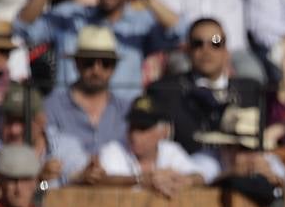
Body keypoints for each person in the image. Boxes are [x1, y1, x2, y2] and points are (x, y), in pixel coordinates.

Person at [17, 0, 178, 101]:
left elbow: (180, 34)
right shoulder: (70, 15)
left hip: (121, 119)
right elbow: (21, 29)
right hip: (68, 115)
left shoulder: (140, 22)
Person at [146, 18, 264, 155]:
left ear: (226, 51)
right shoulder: (164, 91)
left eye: (215, 43)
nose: (206, 50)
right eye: (198, 44)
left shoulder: (250, 90)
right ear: (187, 50)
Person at [79, 94, 209, 196]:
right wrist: (141, 180)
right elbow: (102, 180)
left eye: (143, 128)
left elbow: (200, 177)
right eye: (132, 127)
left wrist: (183, 180)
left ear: (163, 131)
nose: (135, 135)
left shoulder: (170, 150)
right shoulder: (114, 149)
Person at [0, 84, 88, 188]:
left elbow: (76, 188)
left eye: (22, 121)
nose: (14, 130)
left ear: (41, 120)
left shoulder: (66, 146)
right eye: (9, 121)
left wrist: (89, 176)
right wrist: (40, 180)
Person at [41, 24, 133, 151]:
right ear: (76, 63)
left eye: (105, 63)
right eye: (89, 62)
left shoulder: (128, 110)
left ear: (114, 67)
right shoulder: (51, 107)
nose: (96, 70)